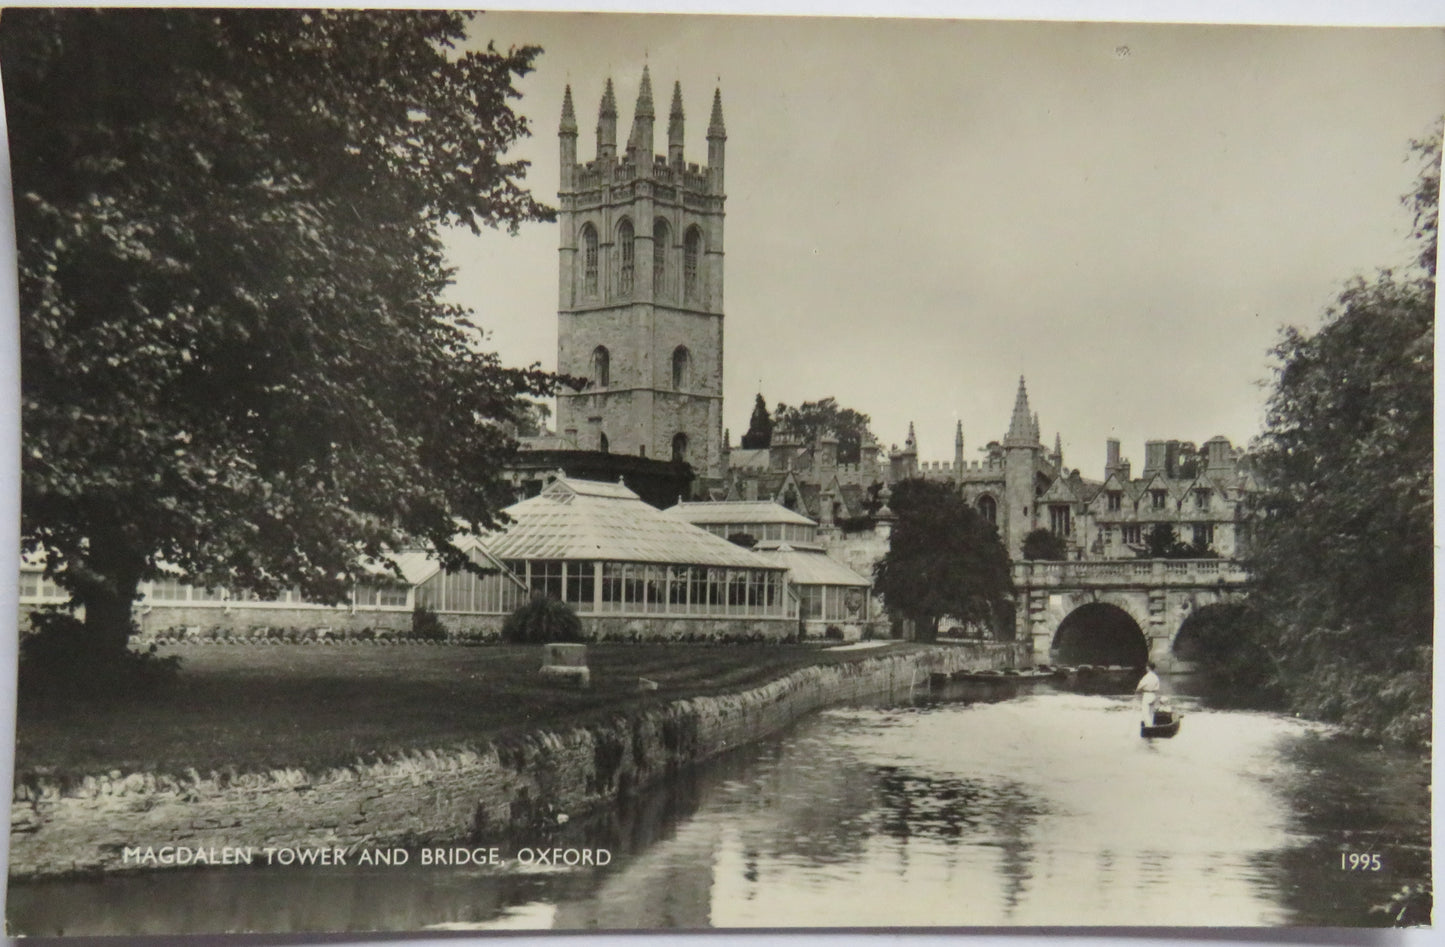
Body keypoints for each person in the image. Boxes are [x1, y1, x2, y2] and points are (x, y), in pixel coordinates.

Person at [1135, 661, 1161, 726]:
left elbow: (1140, 686)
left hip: (1147, 695)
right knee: (1151, 713)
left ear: (1148, 667)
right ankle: (1151, 725)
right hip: (1153, 695)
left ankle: (1149, 727)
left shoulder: (1146, 677)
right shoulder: (1156, 677)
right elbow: (1157, 688)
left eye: (1146, 667)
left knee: (1145, 713)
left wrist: (1137, 691)